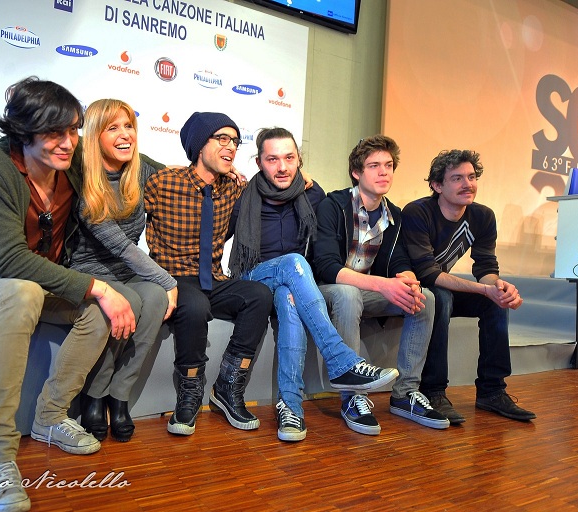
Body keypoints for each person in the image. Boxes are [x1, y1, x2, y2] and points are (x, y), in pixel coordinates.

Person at [0, 77, 136, 512]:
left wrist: (210, 167)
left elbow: (131, 158)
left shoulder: (71, 165)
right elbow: (10, 259)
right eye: (55, 132)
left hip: (47, 283)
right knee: (24, 292)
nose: (68, 142)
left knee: (96, 312)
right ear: (24, 133)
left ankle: (50, 417)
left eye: (73, 130)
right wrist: (98, 286)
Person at [227, 127, 399, 442]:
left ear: (299, 160)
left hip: (290, 284)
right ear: (259, 162)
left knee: (289, 298)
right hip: (253, 278)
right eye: (272, 159)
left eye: (289, 158)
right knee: (294, 262)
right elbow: (212, 235)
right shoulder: (241, 195)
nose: (282, 167)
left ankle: (290, 406)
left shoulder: (312, 194)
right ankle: (341, 360)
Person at [144, 111, 274, 436]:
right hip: (173, 278)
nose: (231, 146)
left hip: (213, 278)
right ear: (200, 144)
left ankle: (228, 385)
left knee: (259, 295)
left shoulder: (233, 187)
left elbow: (277, 181)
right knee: (195, 306)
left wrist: (306, 177)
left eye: (235, 141)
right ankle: (189, 391)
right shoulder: (162, 182)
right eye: (222, 138)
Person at [314, 135, 449, 434]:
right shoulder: (333, 205)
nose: (383, 172)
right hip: (330, 290)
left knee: (425, 297)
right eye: (374, 165)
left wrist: (407, 279)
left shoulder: (394, 215)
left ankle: (405, 393)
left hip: (367, 291)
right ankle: (352, 396)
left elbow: (399, 259)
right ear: (356, 172)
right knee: (348, 294)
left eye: (388, 165)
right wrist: (382, 285)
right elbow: (326, 266)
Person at [401, 149, 536, 423]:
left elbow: (485, 268)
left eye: (472, 177)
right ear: (437, 185)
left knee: (494, 301)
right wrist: (483, 289)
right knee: (441, 297)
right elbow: (427, 274)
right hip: (413, 290)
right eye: (457, 178)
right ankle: (433, 391)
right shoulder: (418, 212)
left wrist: (498, 287)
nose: (468, 184)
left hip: (438, 288)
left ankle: (492, 390)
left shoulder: (483, 216)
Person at [71, 99, 177, 443]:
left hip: (125, 270)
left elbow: (180, 175)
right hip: (90, 269)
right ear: (94, 136)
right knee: (130, 299)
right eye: (113, 127)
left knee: (156, 298)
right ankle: (95, 393)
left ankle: (119, 395)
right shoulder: (83, 179)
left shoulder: (140, 169)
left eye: (129, 126)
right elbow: (122, 247)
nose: (125, 134)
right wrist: (169, 281)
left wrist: (225, 171)